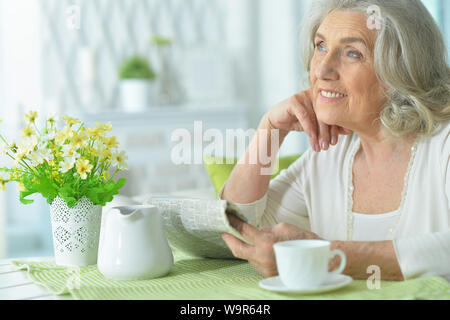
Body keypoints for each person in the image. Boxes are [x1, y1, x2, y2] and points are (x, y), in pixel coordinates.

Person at [220, 0, 450, 281]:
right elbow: (236, 227)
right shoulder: (328, 155)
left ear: (401, 70)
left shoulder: (443, 146)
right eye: (321, 46)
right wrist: (269, 130)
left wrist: (325, 257)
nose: (322, 71)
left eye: (352, 53)